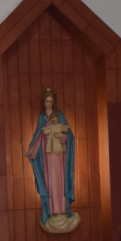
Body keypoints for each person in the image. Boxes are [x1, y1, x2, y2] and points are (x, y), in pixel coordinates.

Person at [23, 87, 78, 233]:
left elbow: (70, 135)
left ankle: (61, 209)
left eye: (51, 101)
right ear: (44, 102)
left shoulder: (59, 115)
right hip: (46, 156)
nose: (49, 104)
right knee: (50, 182)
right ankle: (52, 209)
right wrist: (32, 151)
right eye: (47, 101)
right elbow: (38, 136)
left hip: (59, 156)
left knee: (60, 181)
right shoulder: (42, 117)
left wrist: (64, 137)